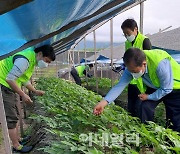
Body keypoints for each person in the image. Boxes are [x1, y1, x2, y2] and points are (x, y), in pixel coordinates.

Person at [94, 48, 180, 132]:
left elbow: (167, 89)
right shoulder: (132, 67)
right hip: (155, 87)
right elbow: (120, 85)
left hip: (174, 88)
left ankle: (173, 143)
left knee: (174, 118)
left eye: (134, 71)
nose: (132, 74)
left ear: (144, 64)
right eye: (130, 71)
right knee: (145, 107)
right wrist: (104, 102)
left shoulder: (160, 64)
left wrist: (149, 96)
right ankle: (148, 136)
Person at [0, 45, 56, 153]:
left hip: (9, 86)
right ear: (40, 54)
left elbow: (24, 79)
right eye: (47, 61)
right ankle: (16, 146)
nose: (47, 64)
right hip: (3, 84)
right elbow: (10, 79)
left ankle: (18, 140)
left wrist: (35, 91)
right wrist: (23, 94)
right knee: (11, 117)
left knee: (16, 114)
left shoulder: (31, 60)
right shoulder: (24, 60)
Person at [121, 19, 152, 117]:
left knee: (141, 108)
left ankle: (143, 128)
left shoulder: (144, 41)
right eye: (124, 34)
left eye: (128, 33)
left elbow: (148, 62)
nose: (126, 36)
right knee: (131, 107)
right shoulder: (127, 43)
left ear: (135, 29)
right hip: (132, 80)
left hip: (142, 83)